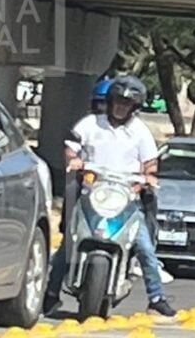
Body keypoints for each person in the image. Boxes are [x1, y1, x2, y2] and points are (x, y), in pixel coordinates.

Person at [43, 75, 176, 319]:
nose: (121, 106)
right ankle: (51, 294)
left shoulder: (140, 132)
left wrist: (146, 180)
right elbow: (71, 146)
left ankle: (157, 298)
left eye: (127, 103)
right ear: (110, 101)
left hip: (126, 199)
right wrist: (73, 160)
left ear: (134, 108)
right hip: (92, 195)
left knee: (145, 248)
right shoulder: (91, 124)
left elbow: (150, 164)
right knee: (68, 243)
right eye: (118, 101)